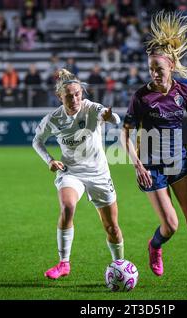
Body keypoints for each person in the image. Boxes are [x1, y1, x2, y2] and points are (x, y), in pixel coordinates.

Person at [120, 10, 187, 289]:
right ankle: (155, 244)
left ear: (171, 66)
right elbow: (124, 134)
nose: (154, 74)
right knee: (171, 225)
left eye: (159, 69)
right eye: (150, 69)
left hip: (180, 163)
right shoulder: (141, 96)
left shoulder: (185, 93)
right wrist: (137, 164)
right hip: (151, 167)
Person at [33, 68, 125, 280]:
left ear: (81, 94)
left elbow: (114, 119)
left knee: (112, 227)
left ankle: (120, 264)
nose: (74, 99)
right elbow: (36, 141)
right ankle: (64, 263)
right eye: (68, 96)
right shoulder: (54, 119)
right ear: (60, 97)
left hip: (99, 173)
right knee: (68, 205)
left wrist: (110, 117)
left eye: (77, 94)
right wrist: (49, 160)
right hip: (71, 171)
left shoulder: (91, 108)